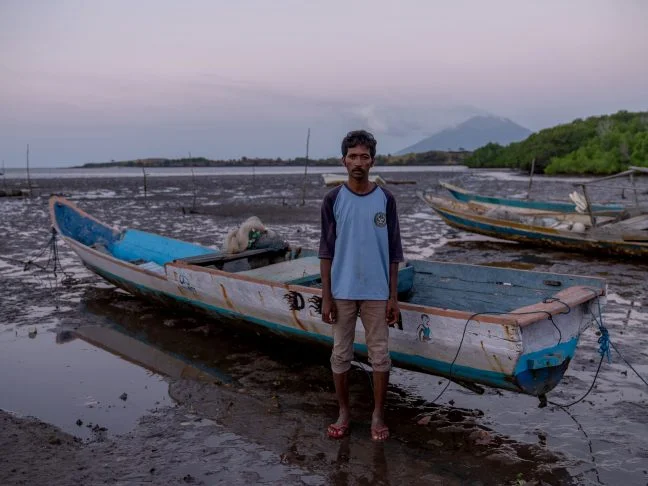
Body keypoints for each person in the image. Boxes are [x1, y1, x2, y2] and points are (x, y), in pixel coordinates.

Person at [318, 129, 404, 441]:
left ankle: (378, 414)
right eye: (352, 156)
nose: (358, 161)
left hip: (377, 293)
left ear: (372, 161)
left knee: (379, 355)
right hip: (341, 291)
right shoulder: (333, 200)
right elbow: (326, 251)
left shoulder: (385, 199)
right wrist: (326, 296)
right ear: (344, 161)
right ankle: (343, 412)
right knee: (340, 353)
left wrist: (393, 297)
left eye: (364, 156)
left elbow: (394, 252)